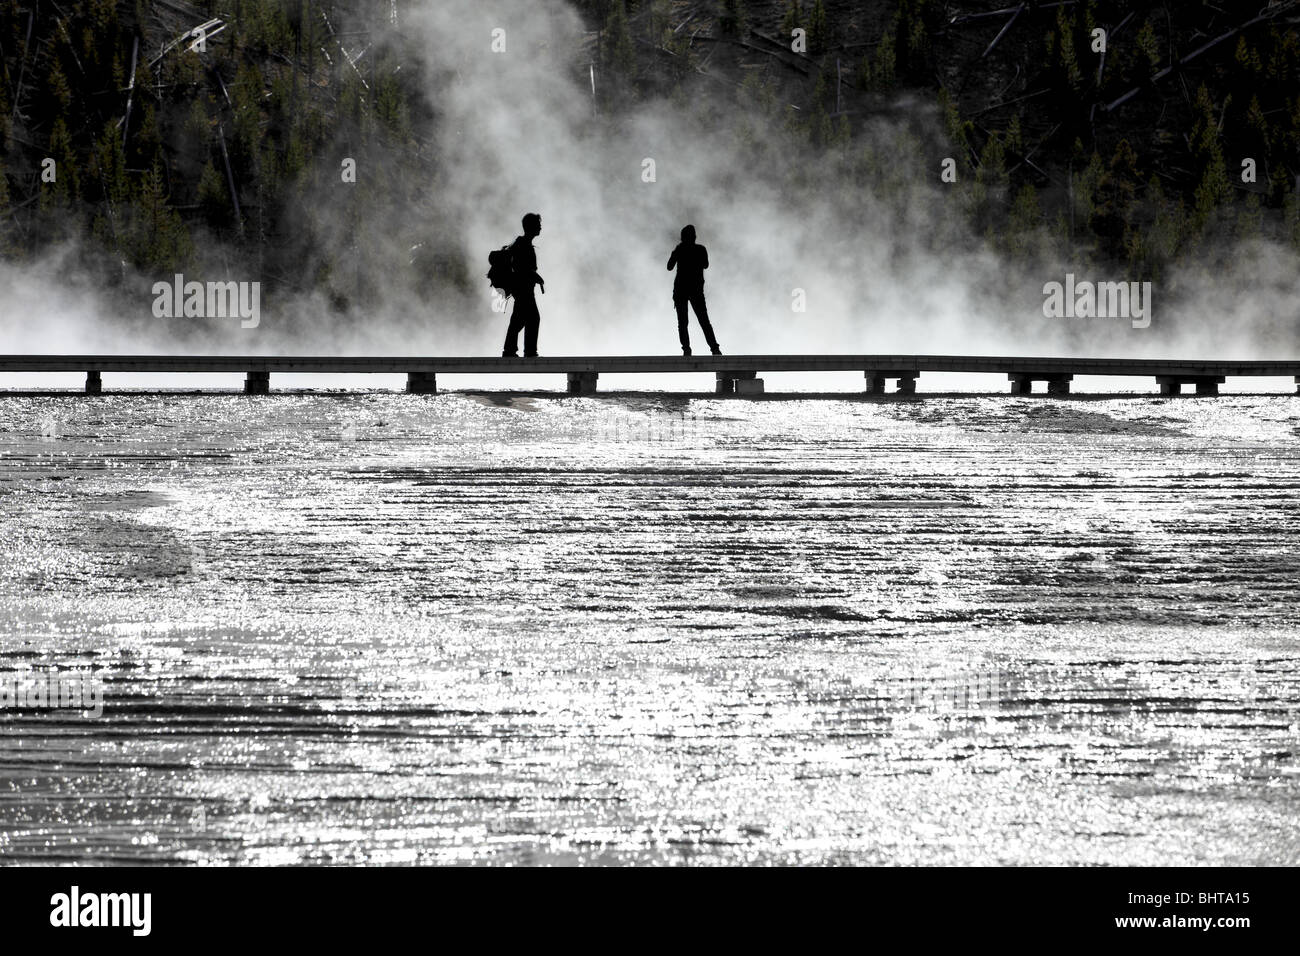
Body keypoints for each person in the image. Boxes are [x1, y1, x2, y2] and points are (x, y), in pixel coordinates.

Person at [667, 224, 721, 356]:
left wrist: (677, 251)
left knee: (683, 322)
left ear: (682, 238)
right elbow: (706, 265)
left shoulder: (680, 250)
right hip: (695, 290)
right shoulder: (701, 249)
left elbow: (669, 266)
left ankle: (686, 349)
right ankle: (714, 349)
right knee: (704, 321)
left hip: (681, 290)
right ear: (694, 237)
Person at [502, 213, 545, 357]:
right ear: (531, 226)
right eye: (538, 224)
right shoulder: (523, 245)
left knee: (519, 320)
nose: (540, 227)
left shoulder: (522, 243)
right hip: (523, 289)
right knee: (532, 318)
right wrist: (535, 276)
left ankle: (511, 350)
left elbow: (524, 268)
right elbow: (522, 268)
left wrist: (534, 276)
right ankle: (528, 351)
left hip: (523, 289)